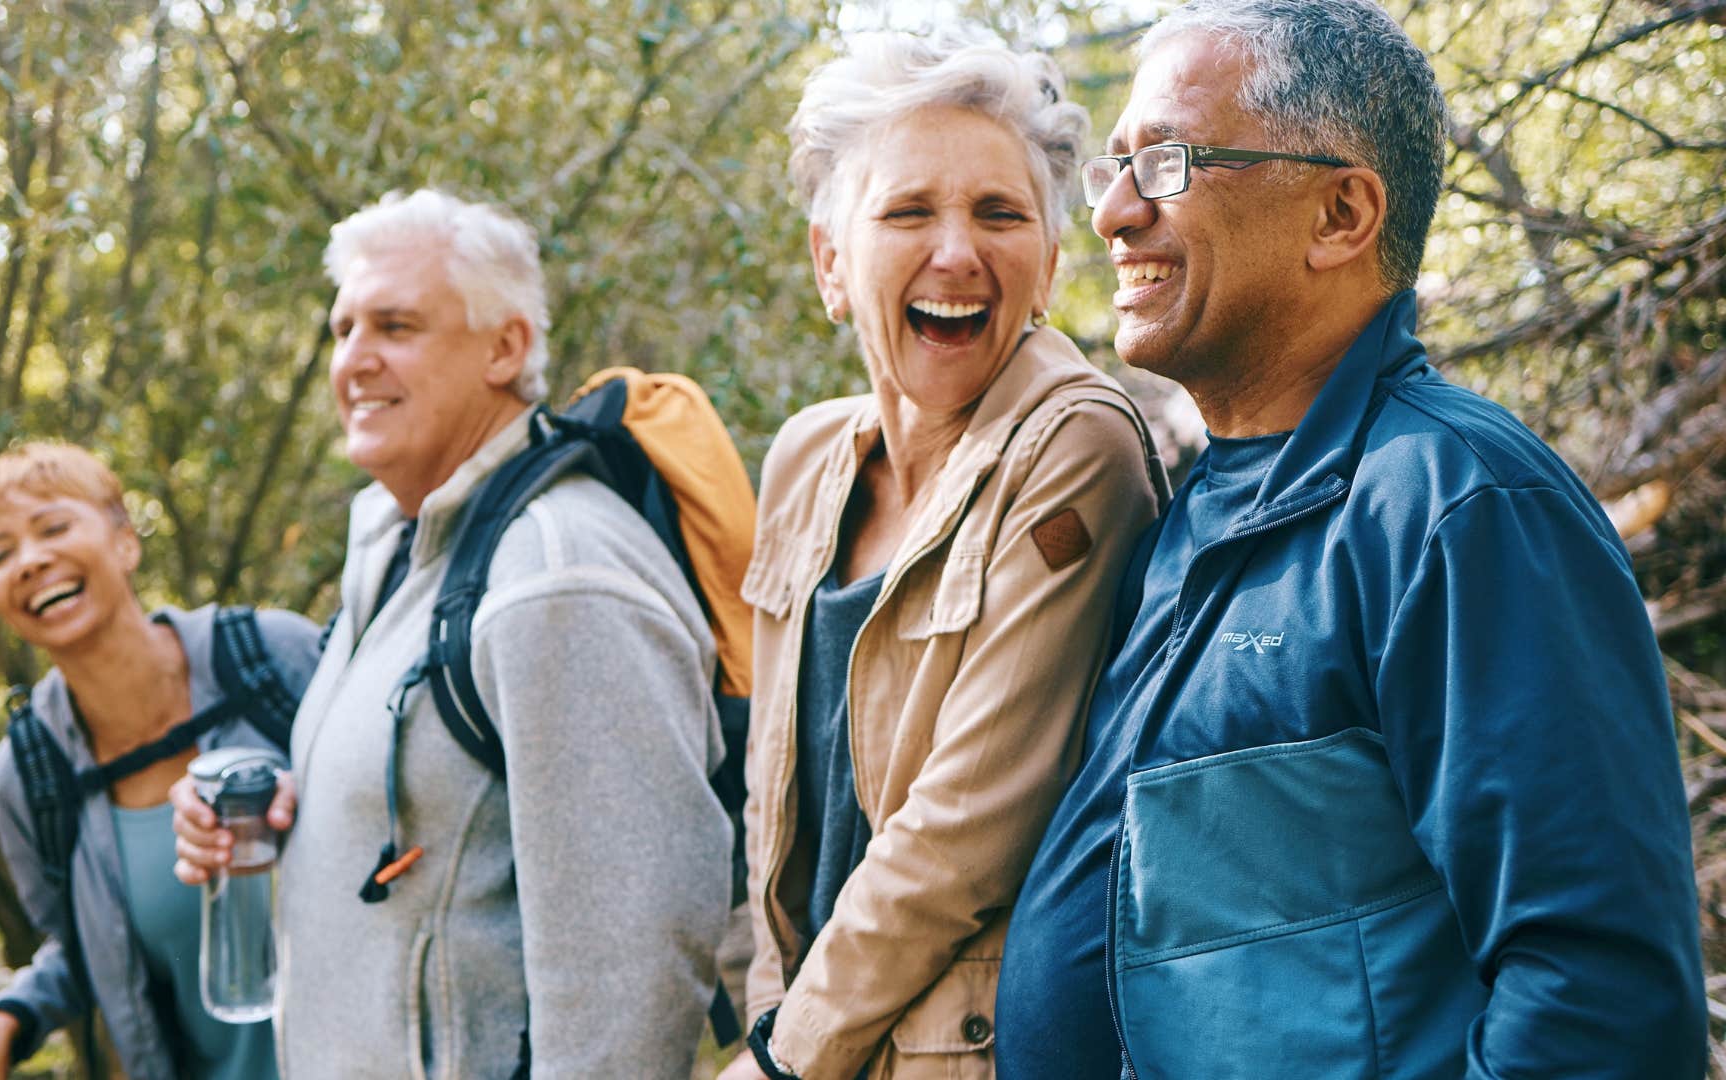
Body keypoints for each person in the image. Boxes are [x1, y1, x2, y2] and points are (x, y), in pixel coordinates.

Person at [994, 2, 1706, 1076]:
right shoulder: (1191, 513)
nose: (1115, 214)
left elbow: (1601, 999)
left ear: (1340, 215)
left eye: (1173, 162)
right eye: (1118, 166)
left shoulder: (1459, 506)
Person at [172, 189, 733, 1078]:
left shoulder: (556, 574)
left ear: (505, 348)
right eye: (342, 328)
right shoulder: (403, 547)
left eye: (395, 325)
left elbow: (633, 965)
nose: (354, 360)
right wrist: (290, 804)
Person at [721, 30, 1166, 1080]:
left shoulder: (1075, 448)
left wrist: (785, 1059)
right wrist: (770, 1021)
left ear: (1052, 264)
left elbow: (965, 832)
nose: (958, 253)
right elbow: (772, 808)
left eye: (1001, 214)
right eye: (909, 212)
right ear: (832, 263)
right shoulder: (803, 461)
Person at [0, 442, 322, 1080]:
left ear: (125, 541)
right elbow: (83, 948)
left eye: (53, 528)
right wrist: (9, 1019)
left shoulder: (272, 657)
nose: (30, 560)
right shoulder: (30, 773)